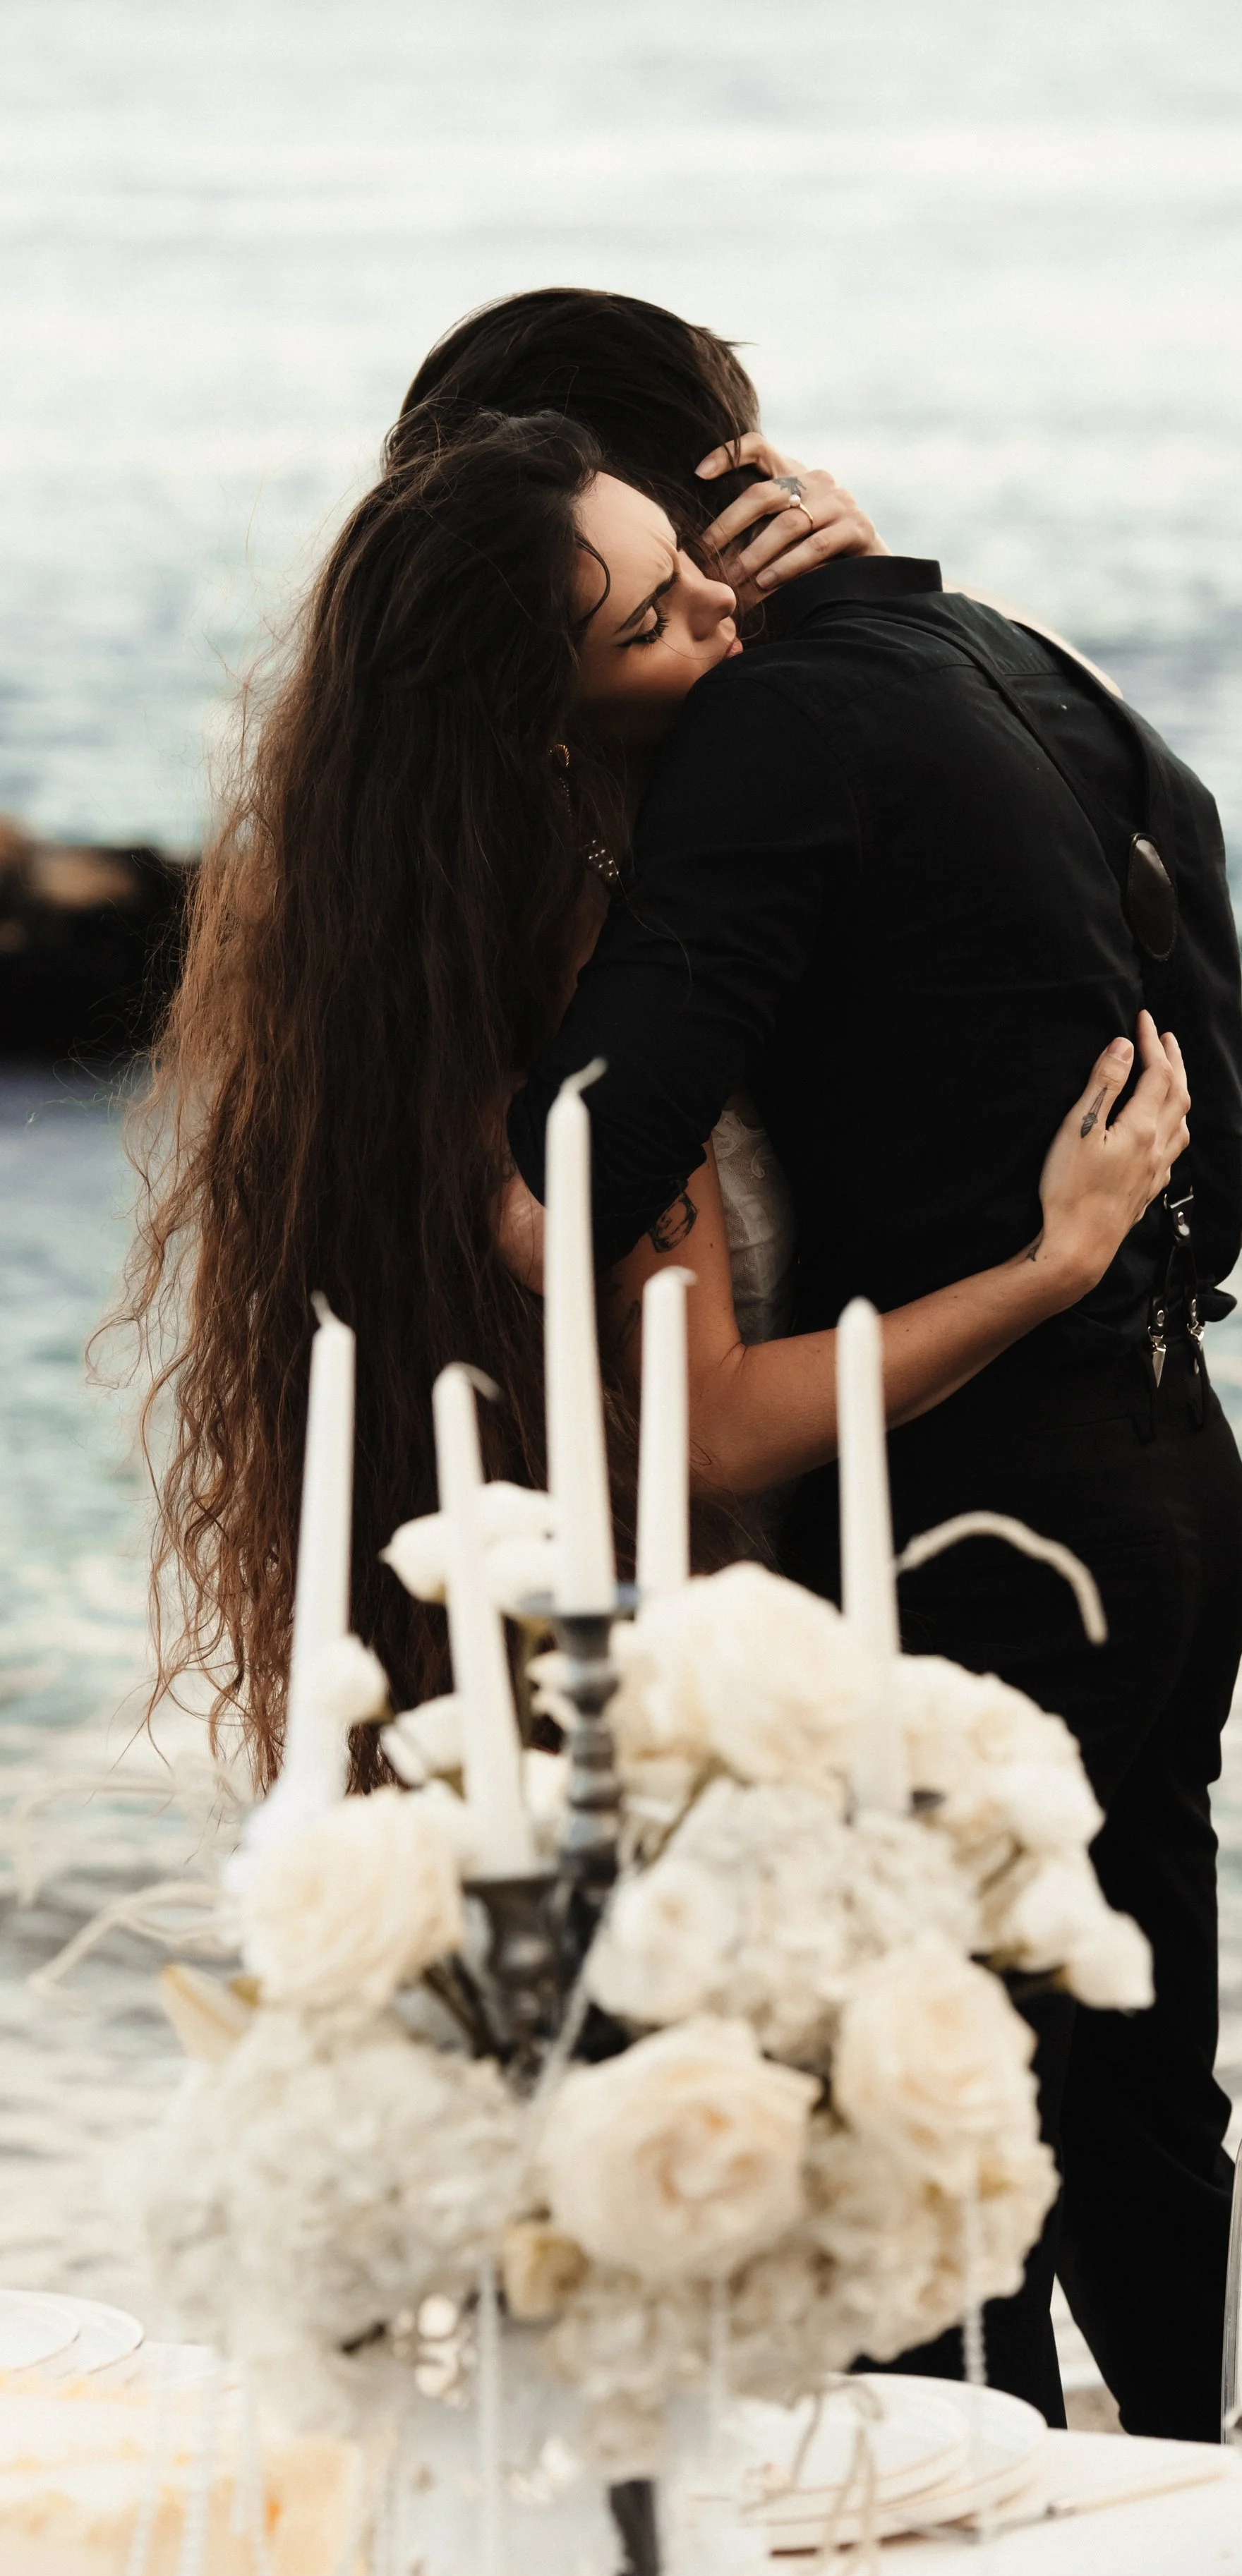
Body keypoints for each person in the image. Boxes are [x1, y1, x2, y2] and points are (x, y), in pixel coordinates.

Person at [406, 291, 1242, 2440]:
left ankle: (946, 2565)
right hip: (1174, 1472)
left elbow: (596, 1152)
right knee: (1136, 2112)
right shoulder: (1022, 665)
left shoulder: (773, 731)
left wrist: (455, 1168)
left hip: (980, 1508)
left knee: (921, 2148)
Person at [116, 406, 1188, 1823]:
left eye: (685, 556)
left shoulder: (644, 900)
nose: (720, 605)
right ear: (540, 722)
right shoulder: (577, 1010)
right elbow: (713, 1431)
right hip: (691, 1697)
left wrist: (864, 602)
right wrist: (1043, 1273)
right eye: (652, 624)